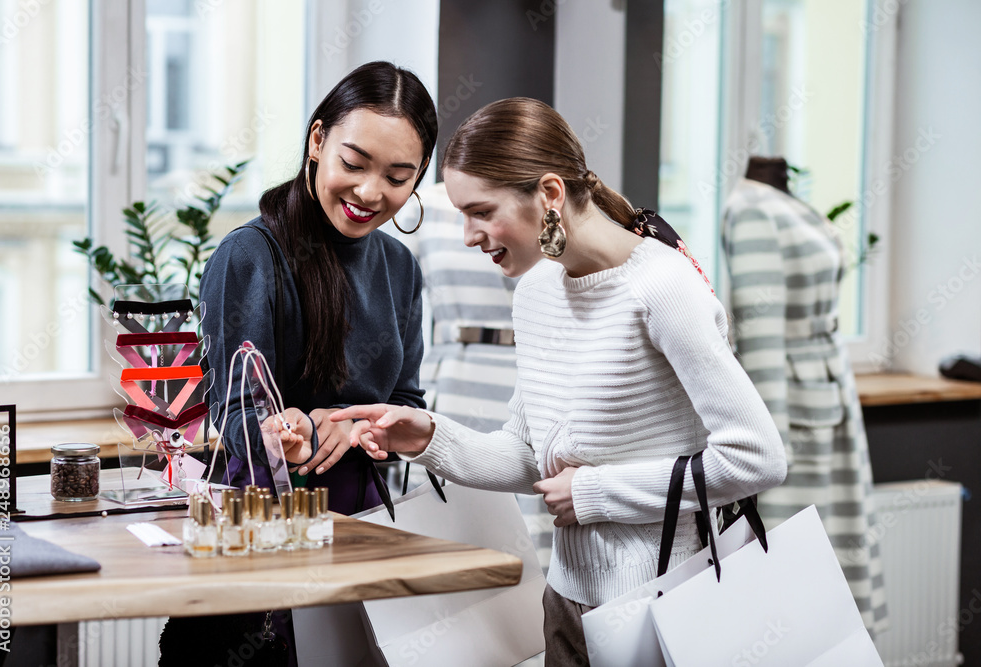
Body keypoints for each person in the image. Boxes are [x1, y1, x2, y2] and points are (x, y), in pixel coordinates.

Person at [316, 97, 787, 664]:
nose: (468, 235)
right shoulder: (537, 292)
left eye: (482, 211)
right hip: (565, 599)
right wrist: (423, 437)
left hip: (664, 597)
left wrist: (593, 494)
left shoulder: (663, 289)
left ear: (550, 195)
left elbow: (757, 458)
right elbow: (527, 454)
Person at [158, 61, 437, 666]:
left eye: (397, 176)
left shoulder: (400, 268)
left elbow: (408, 404)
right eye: (354, 163)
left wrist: (358, 425)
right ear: (317, 142)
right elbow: (234, 416)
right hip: (259, 532)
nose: (369, 193)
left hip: (363, 529)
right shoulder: (249, 256)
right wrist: (292, 432)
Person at [723, 156, 888, 635]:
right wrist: (771, 447)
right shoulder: (751, 209)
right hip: (796, 413)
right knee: (801, 558)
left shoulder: (777, 201)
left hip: (824, 395)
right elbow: (760, 332)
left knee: (835, 553)